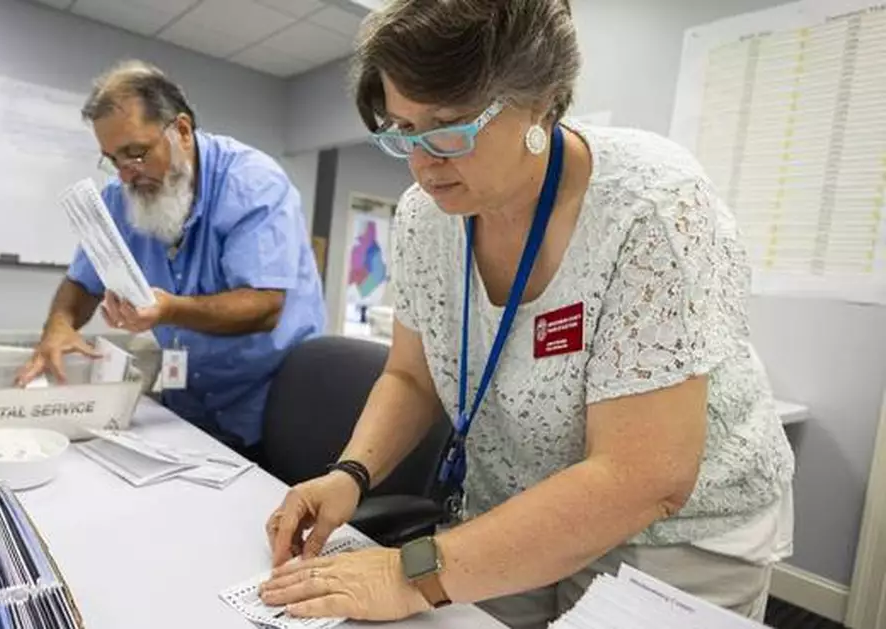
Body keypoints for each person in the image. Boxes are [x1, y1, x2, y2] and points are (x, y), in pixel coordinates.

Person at [259, 1, 795, 626]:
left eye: (448, 127)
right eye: (400, 129)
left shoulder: (654, 206)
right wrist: (351, 475)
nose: (421, 162)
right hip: (511, 504)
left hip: (674, 533)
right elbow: (411, 375)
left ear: (542, 101)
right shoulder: (422, 216)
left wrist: (408, 574)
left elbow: (645, 476)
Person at [16, 60, 326, 463]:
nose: (126, 175)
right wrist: (58, 327)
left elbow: (264, 306)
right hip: (189, 402)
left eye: (136, 154)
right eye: (113, 160)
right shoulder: (119, 197)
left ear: (180, 130)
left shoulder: (253, 183)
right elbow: (81, 283)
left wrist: (168, 309)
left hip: (271, 404)